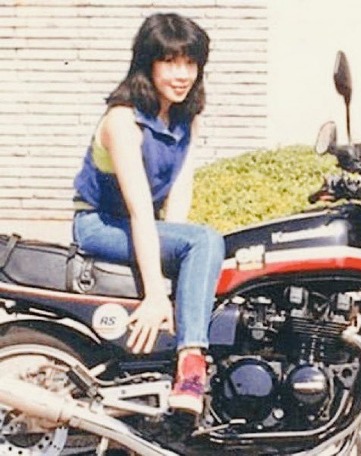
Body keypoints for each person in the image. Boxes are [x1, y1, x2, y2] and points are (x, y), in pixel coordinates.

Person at [72, 12, 225, 416]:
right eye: (170, 62)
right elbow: (140, 211)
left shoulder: (186, 117)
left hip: (142, 223)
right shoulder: (122, 120)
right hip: (99, 223)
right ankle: (191, 365)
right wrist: (156, 295)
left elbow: (178, 195)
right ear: (147, 63)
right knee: (206, 239)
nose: (182, 74)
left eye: (190, 62)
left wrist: (176, 263)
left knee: (202, 242)